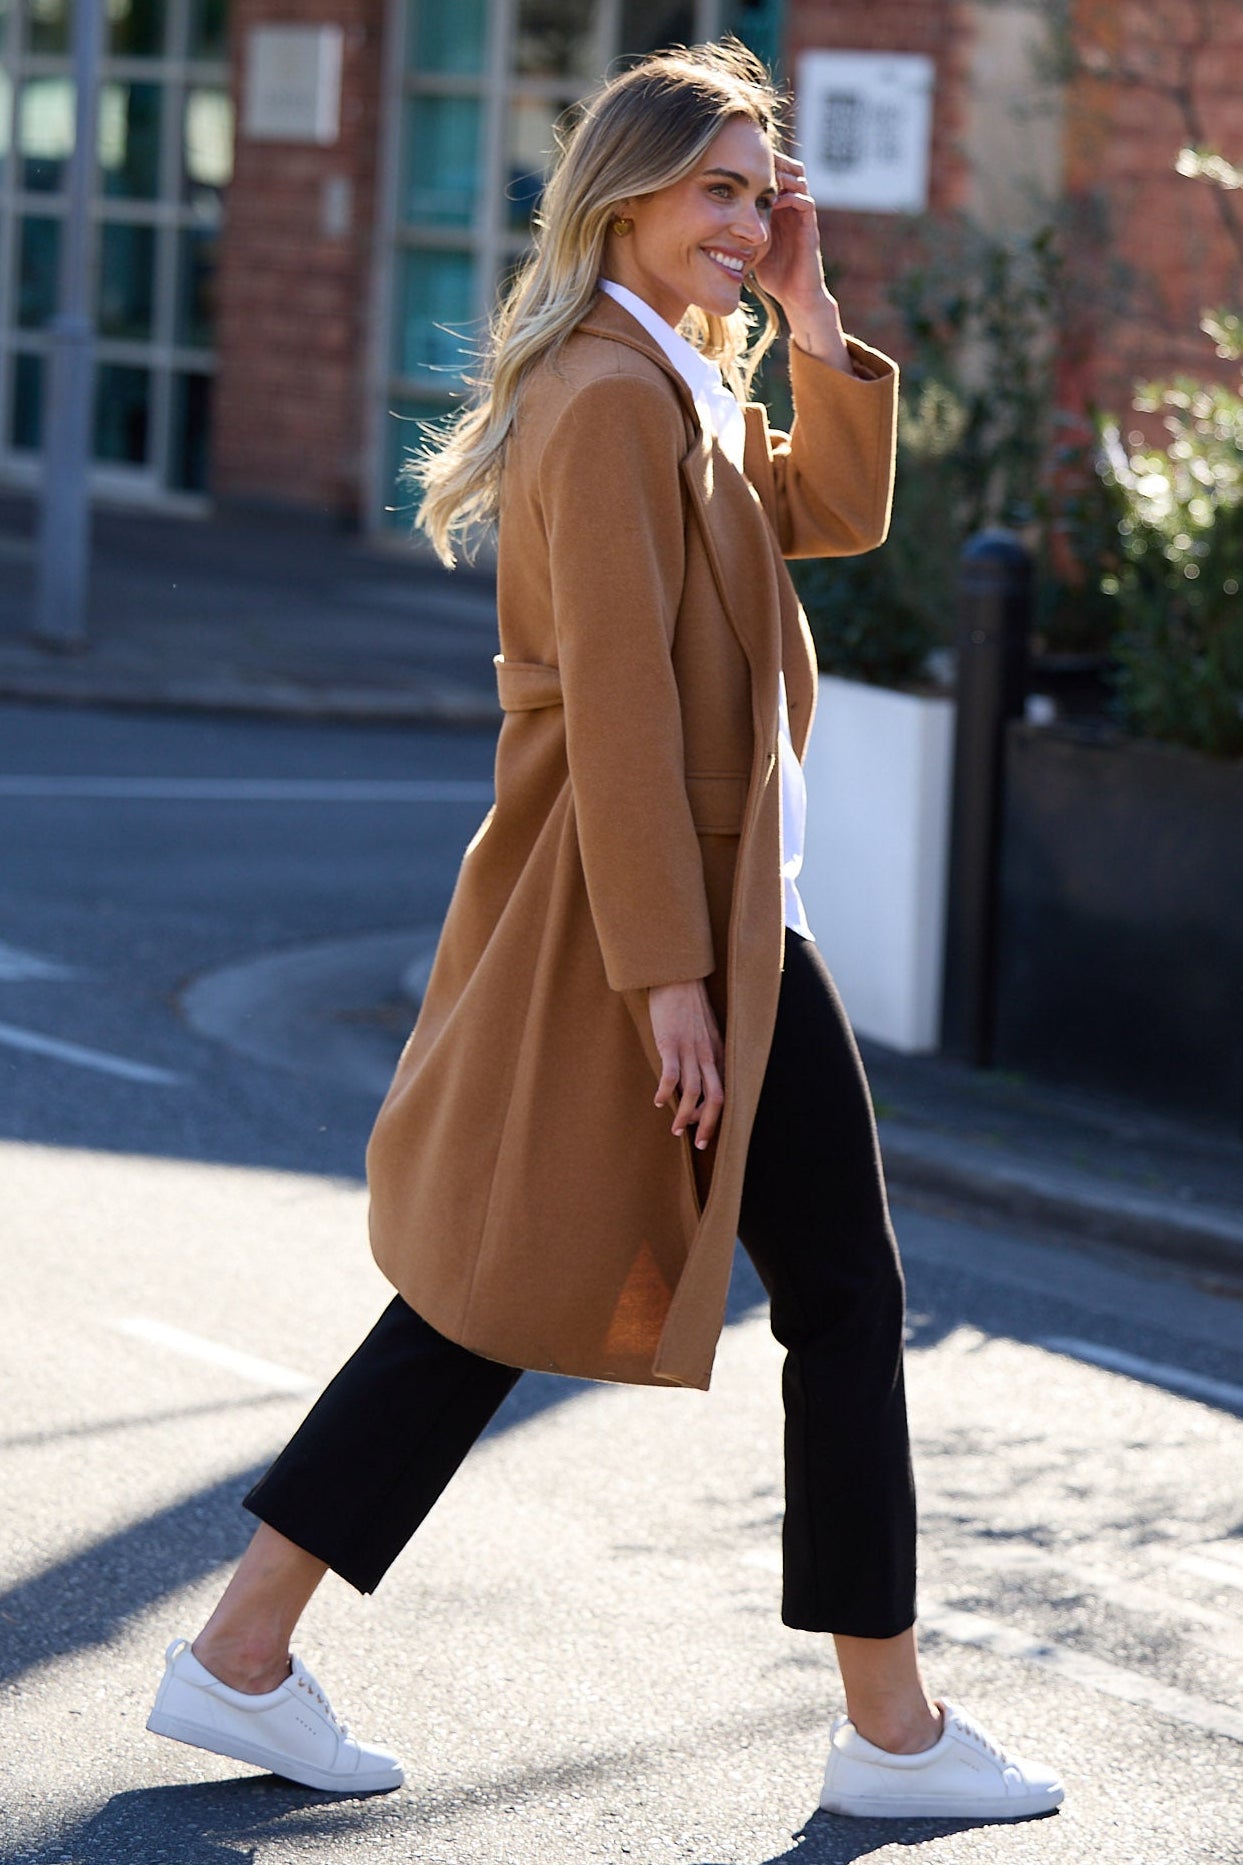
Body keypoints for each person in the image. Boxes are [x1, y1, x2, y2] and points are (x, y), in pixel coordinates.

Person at [146, 40, 1064, 1823]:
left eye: (760, 187)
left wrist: (807, 314)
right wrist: (672, 984)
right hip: (651, 915)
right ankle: (890, 1731)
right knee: (804, 1293)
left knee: (502, 1293)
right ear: (623, 196)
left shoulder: (679, 381)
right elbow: (626, 711)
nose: (747, 216)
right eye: (717, 190)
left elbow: (838, 515)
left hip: (699, 909)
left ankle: (241, 1652)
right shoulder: (604, 400)